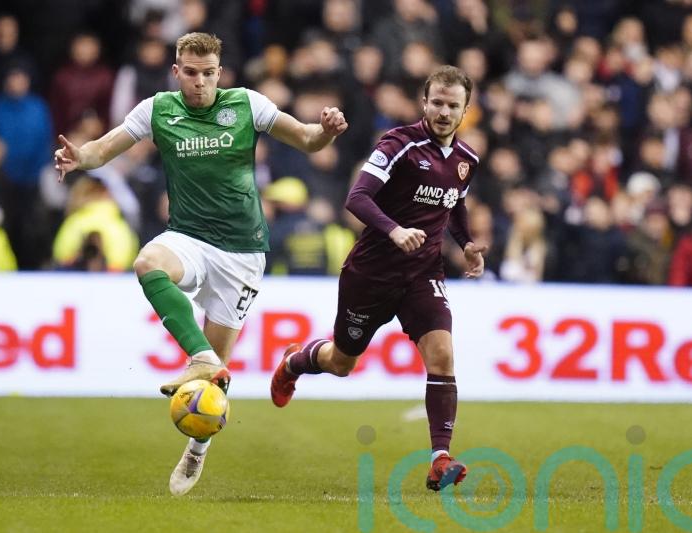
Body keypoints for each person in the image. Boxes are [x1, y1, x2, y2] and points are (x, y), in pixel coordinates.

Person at [54, 32, 347, 495]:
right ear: (177, 71)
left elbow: (308, 140)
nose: (199, 82)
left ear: (219, 72)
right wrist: (79, 157)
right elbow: (103, 149)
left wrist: (326, 130)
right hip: (188, 236)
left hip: (243, 251)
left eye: (208, 73)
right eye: (190, 73)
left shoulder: (248, 104)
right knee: (148, 261)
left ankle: (197, 449)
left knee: (218, 378)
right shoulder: (157, 109)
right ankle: (201, 357)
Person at [270, 65, 486, 492]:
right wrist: (395, 230)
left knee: (442, 354)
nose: (444, 112)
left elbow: (453, 206)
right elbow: (357, 197)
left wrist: (466, 244)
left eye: (452, 105)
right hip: (371, 274)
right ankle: (295, 361)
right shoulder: (398, 144)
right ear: (425, 102)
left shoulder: (467, 160)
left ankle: (440, 458)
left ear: (465, 110)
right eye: (437, 103)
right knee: (341, 362)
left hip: (423, 274)